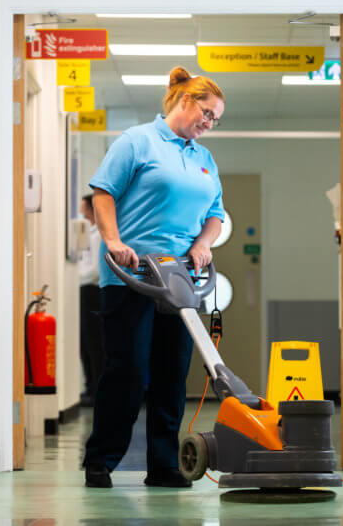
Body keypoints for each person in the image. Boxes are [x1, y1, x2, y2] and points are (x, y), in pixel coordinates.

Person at [82, 67, 225, 489]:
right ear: (185, 100)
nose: (209, 123)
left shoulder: (203, 158)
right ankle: (101, 460)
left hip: (181, 277)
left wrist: (203, 244)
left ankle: (163, 464)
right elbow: (102, 192)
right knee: (126, 370)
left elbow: (215, 214)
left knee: (171, 372)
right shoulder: (137, 141)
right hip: (133, 275)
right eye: (207, 112)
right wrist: (112, 240)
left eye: (216, 119)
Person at [78, 193, 104, 407]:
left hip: (93, 291)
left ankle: (97, 390)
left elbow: (95, 270)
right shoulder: (89, 233)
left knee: (95, 342)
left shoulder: (98, 236)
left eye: (84, 208)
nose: (81, 212)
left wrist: (75, 277)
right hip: (84, 289)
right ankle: (90, 387)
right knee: (85, 342)